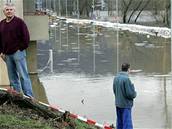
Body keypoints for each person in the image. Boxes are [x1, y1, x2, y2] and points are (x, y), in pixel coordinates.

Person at [0, 3, 33, 97]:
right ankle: (17, 96)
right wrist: (1, 52)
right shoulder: (1, 24)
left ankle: (29, 97)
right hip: (7, 54)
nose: (9, 11)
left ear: (14, 11)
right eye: (7, 10)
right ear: (4, 12)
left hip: (18, 53)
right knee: (12, 78)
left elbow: (26, 38)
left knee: (23, 75)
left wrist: (20, 49)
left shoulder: (19, 22)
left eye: (11, 9)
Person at [113, 63, 136, 129]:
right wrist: (135, 93)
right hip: (125, 105)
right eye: (129, 69)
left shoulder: (116, 77)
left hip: (118, 103)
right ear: (128, 69)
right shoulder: (126, 79)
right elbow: (130, 94)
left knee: (119, 122)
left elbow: (114, 90)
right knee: (127, 123)